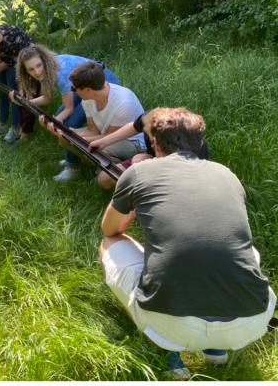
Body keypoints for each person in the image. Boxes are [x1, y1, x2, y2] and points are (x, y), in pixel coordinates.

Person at [100, 107, 275, 380]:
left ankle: (167, 348)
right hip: (252, 319)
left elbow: (110, 228)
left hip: (170, 325)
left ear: (155, 143)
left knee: (111, 242)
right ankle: (216, 349)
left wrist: (136, 211)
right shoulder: (226, 174)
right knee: (242, 249)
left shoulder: (138, 172)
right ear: (200, 143)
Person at [15, 45, 121, 181]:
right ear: (25, 71)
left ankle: (73, 167)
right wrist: (25, 102)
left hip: (102, 84)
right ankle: (72, 157)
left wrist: (55, 122)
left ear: (44, 60)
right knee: (62, 121)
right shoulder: (46, 70)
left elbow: (69, 109)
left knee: (68, 125)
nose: (36, 72)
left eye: (38, 65)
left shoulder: (59, 73)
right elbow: (48, 98)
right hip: (83, 86)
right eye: (31, 69)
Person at [44, 61, 146, 183]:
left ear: (87, 89)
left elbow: (109, 137)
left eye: (74, 88)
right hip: (108, 136)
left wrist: (75, 137)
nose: (74, 92)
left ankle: (113, 172)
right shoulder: (88, 99)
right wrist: (66, 132)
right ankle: (103, 167)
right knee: (65, 140)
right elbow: (92, 130)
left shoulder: (123, 102)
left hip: (133, 141)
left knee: (96, 149)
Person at [89, 111, 210, 190]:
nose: (152, 142)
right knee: (104, 179)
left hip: (177, 177)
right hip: (153, 161)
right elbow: (133, 127)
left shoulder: (192, 149)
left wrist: (142, 167)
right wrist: (103, 142)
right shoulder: (152, 119)